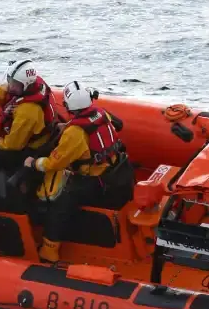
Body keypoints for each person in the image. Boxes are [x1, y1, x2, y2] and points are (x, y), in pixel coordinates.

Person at [24, 80, 133, 263]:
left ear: (68, 107)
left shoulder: (75, 132)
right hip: (116, 170)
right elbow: (117, 124)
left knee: (61, 204)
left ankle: (49, 250)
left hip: (96, 182)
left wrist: (33, 163)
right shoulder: (101, 113)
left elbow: (53, 164)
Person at [0, 58, 61, 171]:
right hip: (37, 136)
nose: (10, 86)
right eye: (10, 82)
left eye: (14, 84)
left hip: (31, 150)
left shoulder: (28, 111)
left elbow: (13, 145)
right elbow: (3, 91)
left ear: (25, 85)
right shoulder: (35, 85)